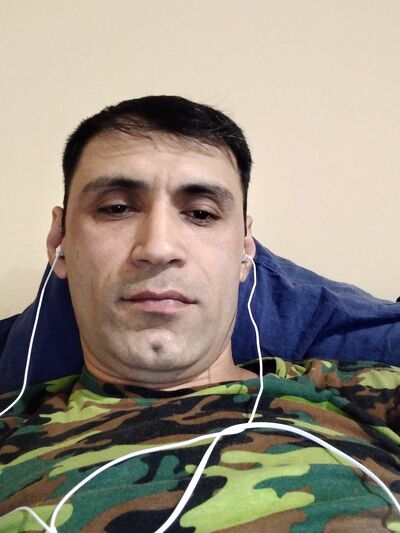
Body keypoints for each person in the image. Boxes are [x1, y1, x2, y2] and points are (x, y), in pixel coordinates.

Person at [0, 96, 399, 532]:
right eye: (116, 208)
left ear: (245, 253)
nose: (158, 248)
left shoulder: (368, 396)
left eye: (201, 213)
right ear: (59, 241)